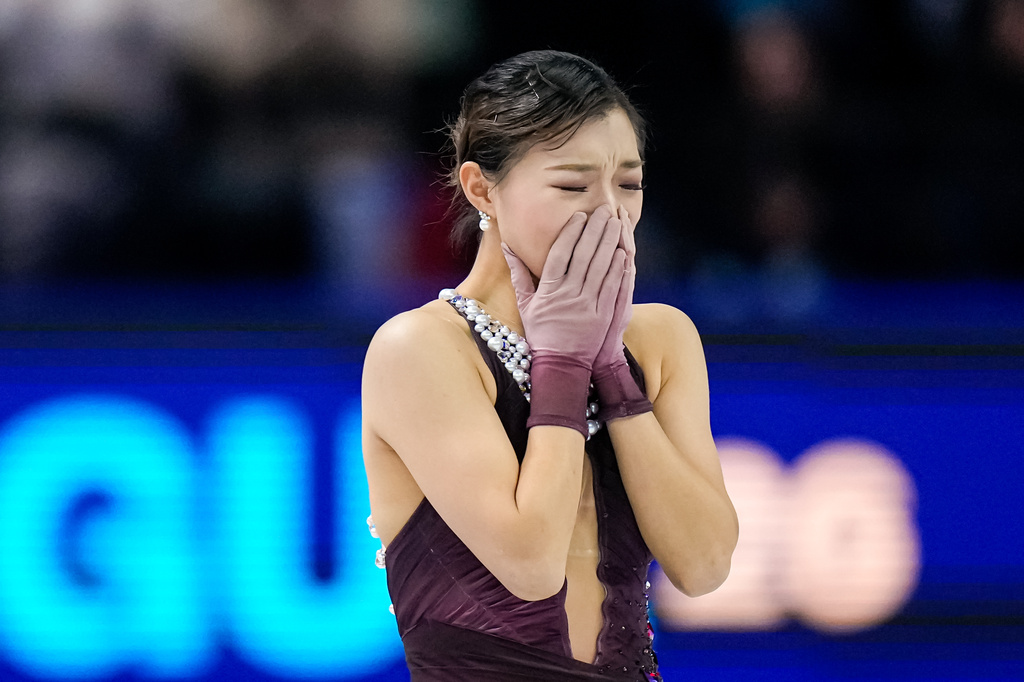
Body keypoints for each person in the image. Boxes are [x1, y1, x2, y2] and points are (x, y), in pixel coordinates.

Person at [361, 50, 738, 681]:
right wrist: (562, 363)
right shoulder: (420, 349)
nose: (610, 213)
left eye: (629, 182)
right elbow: (530, 563)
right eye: (572, 185)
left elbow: (704, 567)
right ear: (482, 187)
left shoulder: (661, 339)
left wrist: (612, 368)